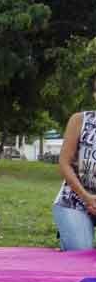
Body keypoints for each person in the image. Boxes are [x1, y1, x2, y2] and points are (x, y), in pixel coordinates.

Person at [52, 75, 96, 251]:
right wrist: (88, 198)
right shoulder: (79, 120)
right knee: (81, 254)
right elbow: (64, 163)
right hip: (75, 200)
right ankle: (69, 239)